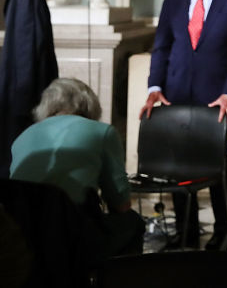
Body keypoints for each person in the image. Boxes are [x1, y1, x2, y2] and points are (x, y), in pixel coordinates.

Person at [139, 0, 227, 249]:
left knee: (218, 162)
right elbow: (161, 47)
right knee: (178, 162)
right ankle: (186, 230)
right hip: (174, 92)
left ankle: (224, 231)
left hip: (217, 97)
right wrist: (154, 87)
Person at [10, 77, 144, 258]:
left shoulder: (23, 136)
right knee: (132, 223)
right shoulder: (102, 132)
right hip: (72, 233)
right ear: (89, 105)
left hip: (21, 231)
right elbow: (120, 203)